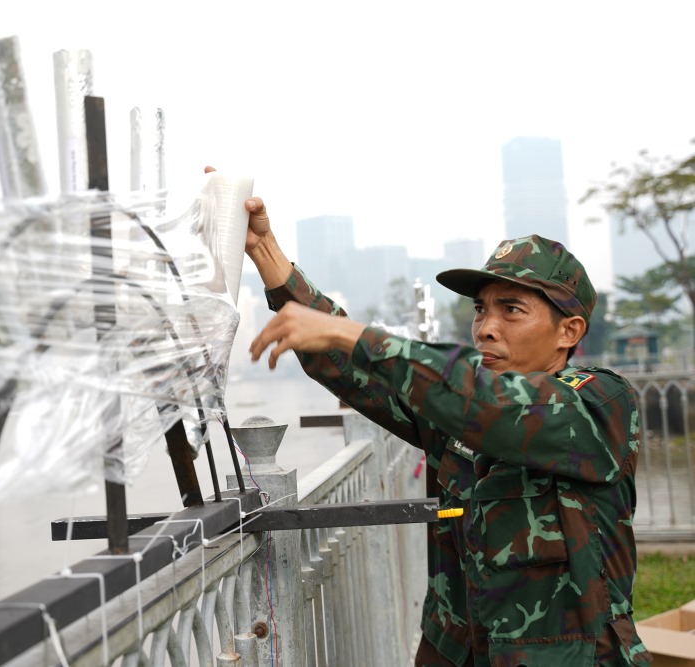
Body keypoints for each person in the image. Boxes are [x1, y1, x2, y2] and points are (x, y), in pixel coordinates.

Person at [236, 189, 653, 665]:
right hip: (455, 648)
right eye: (481, 309)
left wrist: (357, 335)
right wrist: (264, 252)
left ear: (569, 332)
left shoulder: (598, 402)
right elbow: (355, 368)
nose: (485, 328)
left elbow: (496, 410)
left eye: (511, 309)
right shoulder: (454, 406)